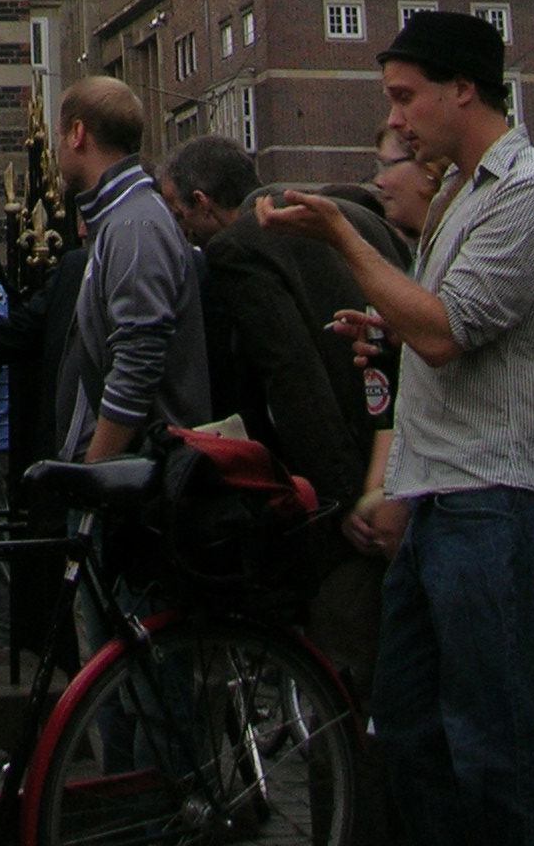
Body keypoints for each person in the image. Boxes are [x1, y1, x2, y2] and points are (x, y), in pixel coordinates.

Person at [259, 9, 534, 846]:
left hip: (499, 501)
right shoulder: (455, 197)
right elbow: (440, 331)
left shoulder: (532, 192)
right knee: (409, 734)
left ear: (463, 90)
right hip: (441, 496)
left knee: (496, 750)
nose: (396, 119)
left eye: (406, 99)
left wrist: (338, 233)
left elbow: (445, 331)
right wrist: (384, 332)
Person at [163, 135, 395, 716]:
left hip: (354, 503)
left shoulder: (240, 248)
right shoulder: (357, 218)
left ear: (202, 203)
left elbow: (293, 379)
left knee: (345, 694)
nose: (183, 232)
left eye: (179, 214)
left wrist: (343, 503)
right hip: (408, 473)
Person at [51, 77, 207, 460]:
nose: (55, 147)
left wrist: (95, 469)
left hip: (138, 484)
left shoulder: (133, 225)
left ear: (77, 133)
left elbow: (138, 360)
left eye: (58, 134)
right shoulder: (123, 219)